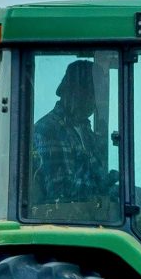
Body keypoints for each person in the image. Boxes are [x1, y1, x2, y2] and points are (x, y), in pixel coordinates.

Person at [28, 58, 110, 218]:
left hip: (88, 215)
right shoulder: (49, 129)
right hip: (64, 220)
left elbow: (97, 176)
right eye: (91, 94)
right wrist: (109, 187)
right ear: (72, 92)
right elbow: (63, 190)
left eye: (98, 95)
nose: (95, 102)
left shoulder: (84, 129)